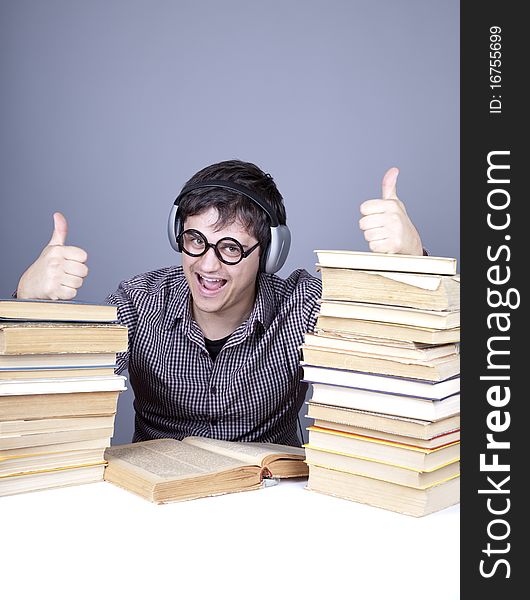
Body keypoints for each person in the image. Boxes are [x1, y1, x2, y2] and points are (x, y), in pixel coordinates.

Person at [16, 159, 423, 446]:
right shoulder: (137, 302)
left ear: (269, 253)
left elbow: (409, 354)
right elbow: (50, 390)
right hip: (159, 505)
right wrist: (26, 303)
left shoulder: (303, 305)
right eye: (195, 240)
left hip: (275, 505)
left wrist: (414, 262)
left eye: (230, 247)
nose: (207, 264)